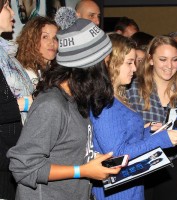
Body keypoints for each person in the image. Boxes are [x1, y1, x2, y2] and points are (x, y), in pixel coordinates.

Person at [7, 7, 120, 199]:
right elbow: (22, 166)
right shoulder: (51, 105)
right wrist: (82, 171)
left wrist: (91, 161)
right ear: (89, 66)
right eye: (104, 63)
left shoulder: (77, 100)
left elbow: (65, 152)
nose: (107, 70)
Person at [91, 33, 177, 200]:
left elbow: (126, 137)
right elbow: (117, 155)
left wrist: (148, 130)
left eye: (174, 59)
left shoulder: (118, 95)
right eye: (130, 62)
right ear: (111, 62)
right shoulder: (107, 102)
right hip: (122, 184)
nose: (135, 68)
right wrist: (162, 138)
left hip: (136, 178)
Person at [127, 35, 177, 200]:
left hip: (172, 165)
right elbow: (121, 132)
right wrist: (143, 130)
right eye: (163, 59)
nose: (169, 66)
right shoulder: (133, 89)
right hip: (141, 164)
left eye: (174, 59)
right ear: (150, 60)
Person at [0, 1, 33, 199]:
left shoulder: (6, 53)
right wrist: (26, 103)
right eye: (6, 6)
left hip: (13, 154)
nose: (12, 12)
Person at [16, 16, 58, 88]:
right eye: (45, 37)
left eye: (55, 38)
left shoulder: (60, 71)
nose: (51, 43)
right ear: (32, 41)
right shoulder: (24, 74)